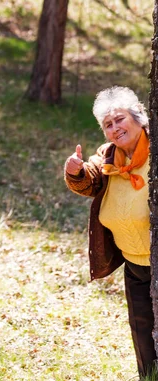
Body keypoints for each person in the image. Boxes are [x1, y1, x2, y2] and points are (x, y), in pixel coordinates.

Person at [64, 86, 155, 378]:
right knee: (142, 334)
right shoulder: (109, 156)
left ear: (139, 118)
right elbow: (90, 181)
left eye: (120, 119)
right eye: (108, 125)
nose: (115, 128)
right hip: (134, 263)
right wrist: (76, 171)